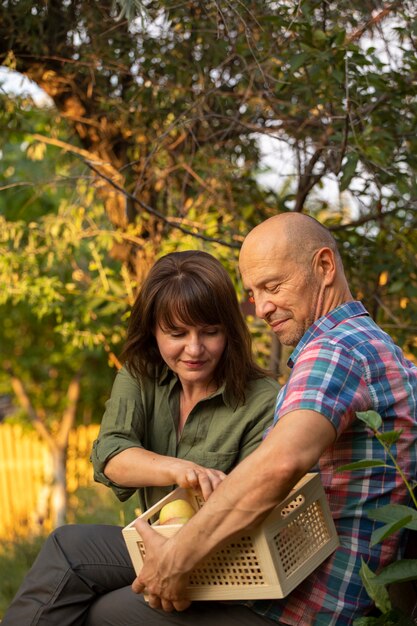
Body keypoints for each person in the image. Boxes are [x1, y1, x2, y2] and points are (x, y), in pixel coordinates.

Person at [125, 213, 417, 626]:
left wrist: (179, 556)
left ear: (325, 267)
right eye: (253, 292)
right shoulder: (372, 343)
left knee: (99, 605)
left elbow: (279, 463)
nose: (260, 307)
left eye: (272, 286)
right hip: (291, 584)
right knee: (80, 557)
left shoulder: (336, 351)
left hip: (301, 609)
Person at [2, 250, 279, 626]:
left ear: (229, 329)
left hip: (229, 566)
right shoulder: (142, 374)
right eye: (177, 333)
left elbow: (251, 513)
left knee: (77, 569)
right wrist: (181, 470)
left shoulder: (262, 398)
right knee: (74, 572)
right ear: (153, 330)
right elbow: (111, 456)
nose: (194, 349)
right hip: (154, 544)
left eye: (210, 332)